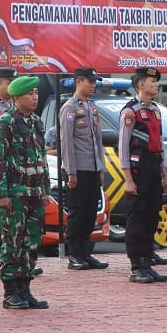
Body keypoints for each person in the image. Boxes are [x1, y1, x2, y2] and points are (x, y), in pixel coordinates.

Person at [0, 74, 49, 309]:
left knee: (32, 242)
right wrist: (1, 194)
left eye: (36, 93)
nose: (34, 97)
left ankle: (25, 289)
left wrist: (45, 188)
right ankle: (10, 292)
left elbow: (42, 157)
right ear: (16, 97)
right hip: (14, 194)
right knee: (12, 243)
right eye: (29, 94)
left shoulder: (36, 122)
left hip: (34, 192)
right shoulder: (6, 123)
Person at [120, 67, 167, 284]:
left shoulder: (155, 110)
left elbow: (159, 143)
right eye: (152, 81)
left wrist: (164, 172)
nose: (156, 84)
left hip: (153, 167)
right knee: (137, 217)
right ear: (140, 85)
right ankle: (137, 265)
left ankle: (147, 259)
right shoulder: (130, 111)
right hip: (138, 169)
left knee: (152, 215)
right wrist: (128, 179)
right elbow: (123, 145)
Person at [59, 67, 108, 270]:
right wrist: (70, 171)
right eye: (90, 81)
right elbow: (66, 142)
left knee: (90, 213)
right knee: (77, 212)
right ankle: (75, 255)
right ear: (79, 81)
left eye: (94, 81)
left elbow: (98, 140)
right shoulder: (69, 108)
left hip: (92, 168)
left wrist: (101, 168)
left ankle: (86, 253)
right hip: (77, 169)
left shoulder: (92, 108)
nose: (93, 85)